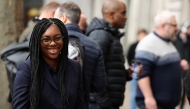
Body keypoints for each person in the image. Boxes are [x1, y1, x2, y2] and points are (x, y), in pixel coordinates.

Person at [12, 18, 85, 109]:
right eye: (46, 39)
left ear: (64, 40)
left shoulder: (74, 67)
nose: (53, 43)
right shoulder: (27, 69)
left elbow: (80, 105)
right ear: (38, 42)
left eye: (57, 38)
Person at [54, 2, 106, 109]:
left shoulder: (50, 43)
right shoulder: (94, 46)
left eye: (55, 19)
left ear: (63, 18)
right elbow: (99, 85)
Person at [135, 10, 189, 109]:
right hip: (153, 105)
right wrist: (149, 98)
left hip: (167, 104)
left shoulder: (168, 42)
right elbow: (140, 73)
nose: (177, 28)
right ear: (164, 26)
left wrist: (179, 65)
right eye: (174, 25)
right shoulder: (147, 44)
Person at [85, 0, 133, 109]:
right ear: (111, 14)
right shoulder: (100, 35)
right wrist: (105, 103)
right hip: (99, 104)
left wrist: (126, 74)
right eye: (123, 13)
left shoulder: (110, 34)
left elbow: (108, 72)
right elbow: (92, 72)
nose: (126, 17)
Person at [126, 29, 147, 109]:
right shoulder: (133, 46)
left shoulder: (147, 47)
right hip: (134, 71)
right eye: (141, 35)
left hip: (144, 72)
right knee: (133, 92)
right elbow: (129, 56)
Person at [173, 21, 190, 109]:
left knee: (185, 88)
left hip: (187, 69)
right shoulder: (176, 40)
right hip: (176, 68)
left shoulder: (188, 40)